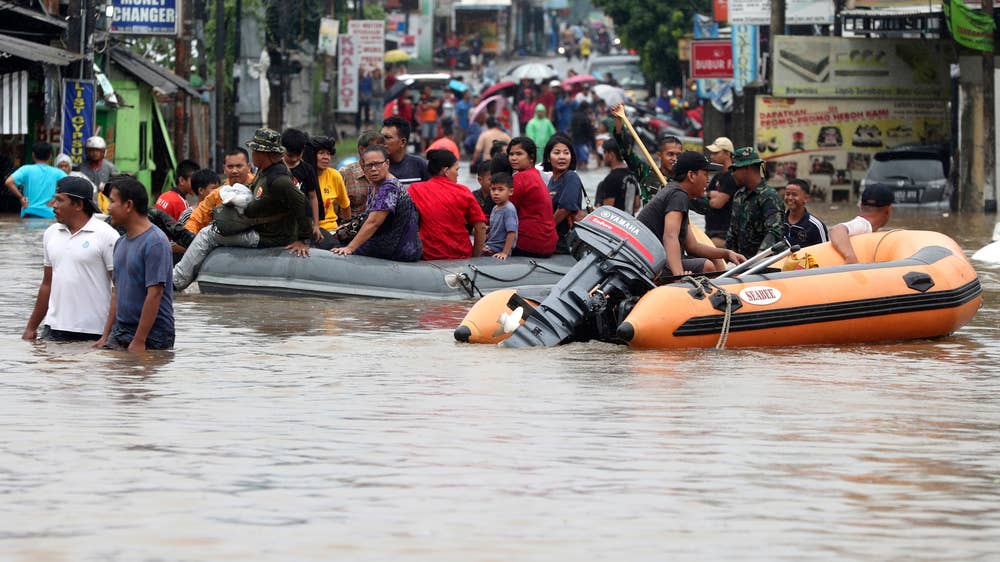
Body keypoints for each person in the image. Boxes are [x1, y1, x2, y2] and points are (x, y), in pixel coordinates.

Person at [172, 128, 312, 291]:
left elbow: (303, 203)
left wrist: (303, 239)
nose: (252, 154)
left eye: (254, 151)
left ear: (263, 153)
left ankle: (176, 281)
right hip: (259, 227)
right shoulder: (264, 171)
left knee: (207, 235)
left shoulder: (278, 179)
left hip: (268, 236)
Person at [22, 176, 119, 342]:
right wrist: (31, 328)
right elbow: (47, 283)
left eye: (60, 200)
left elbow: (120, 288)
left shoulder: (107, 235)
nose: (54, 205)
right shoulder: (51, 233)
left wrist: (108, 336)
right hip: (53, 329)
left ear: (79, 205)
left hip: (94, 332)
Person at [94, 175, 174, 351]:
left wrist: (139, 340)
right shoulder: (120, 243)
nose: (108, 208)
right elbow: (117, 292)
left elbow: (155, 293)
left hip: (152, 335)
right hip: (121, 331)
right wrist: (105, 337)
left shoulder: (155, 242)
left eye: (112, 201)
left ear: (128, 205)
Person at [636, 152, 745, 276]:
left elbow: (693, 246)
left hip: (658, 260)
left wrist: (727, 253)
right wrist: (679, 275)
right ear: (691, 176)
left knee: (716, 258)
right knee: (707, 266)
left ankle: (724, 286)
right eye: (705, 174)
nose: (708, 180)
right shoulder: (678, 195)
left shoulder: (676, 193)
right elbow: (670, 237)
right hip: (650, 263)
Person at [331, 146, 422, 261]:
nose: (373, 169)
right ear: (363, 167)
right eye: (369, 165)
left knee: (336, 249)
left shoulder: (389, 187)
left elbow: (373, 223)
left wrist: (350, 248)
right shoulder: (375, 185)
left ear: (387, 163)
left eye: (378, 164)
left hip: (399, 248)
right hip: (386, 241)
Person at [409, 150, 486, 260]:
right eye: (456, 169)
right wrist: (476, 256)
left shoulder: (415, 189)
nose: (458, 174)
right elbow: (481, 228)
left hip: (429, 257)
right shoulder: (463, 191)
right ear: (446, 171)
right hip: (461, 255)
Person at [726, 147, 785, 259]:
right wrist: (725, 258)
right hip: (742, 263)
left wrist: (759, 257)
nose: (732, 174)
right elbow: (732, 232)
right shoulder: (739, 195)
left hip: (765, 263)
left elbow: (775, 231)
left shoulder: (769, 196)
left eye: (735, 169)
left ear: (747, 167)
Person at [507, 137, 558, 257]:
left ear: (531, 158)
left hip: (530, 242)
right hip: (549, 242)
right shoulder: (536, 174)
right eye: (511, 154)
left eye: (519, 154)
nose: (513, 158)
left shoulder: (519, 178)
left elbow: (507, 211)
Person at [184, 148, 253, 235]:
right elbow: (196, 219)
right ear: (224, 168)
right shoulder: (218, 194)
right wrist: (188, 236)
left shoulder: (258, 186)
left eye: (239, 166)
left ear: (249, 167)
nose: (234, 171)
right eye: (230, 167)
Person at [543, 134, 587, 254]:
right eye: (557, 153)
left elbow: (566, 208)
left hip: (565, 244)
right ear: (548, 158)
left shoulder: (571, 176)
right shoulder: (551, 181)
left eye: (566, 153)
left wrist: (545, 231)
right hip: (554, 240)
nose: (562, 157)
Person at [830, 185, 894, 264]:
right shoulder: (864, 225)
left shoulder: (867, 229)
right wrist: (850, 257)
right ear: (888, 210)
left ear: (861, 206)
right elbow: (836, 229)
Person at [694, 137, 738, 248]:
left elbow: (717, 203)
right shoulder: (717, 176)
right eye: (711, 153)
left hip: (723, 232)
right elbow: (704, 193)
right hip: (710, 229)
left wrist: (712, 195)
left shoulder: (732, 177)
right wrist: (710, 194)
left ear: (728, 154)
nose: (711, 156)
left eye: (716, 153)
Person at [5, 141, 65, 219]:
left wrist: (21, 198)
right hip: (50, 214)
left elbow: (9, 182)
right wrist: (55, 198)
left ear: (33, 155)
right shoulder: (58, 172)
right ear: (51, 156)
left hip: (29, 212)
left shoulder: (26, 169)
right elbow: (70, 186)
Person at [311, 135, 352, 250]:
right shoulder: (303, 174)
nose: (326, 157)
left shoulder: (334, 175)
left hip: (332, 231)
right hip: (310, 231)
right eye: (321, 153)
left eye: (328, 154)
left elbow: (345, 205)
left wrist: (345, 228)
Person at [281, 128, 322, 240]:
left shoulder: (307, 169)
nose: (294, 159)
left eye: (298, 155)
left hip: (301, 221)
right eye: (290, 155)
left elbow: (313, 197)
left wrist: (316, 225)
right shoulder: (277, 168)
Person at [341, 129, 385, 216]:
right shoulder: (345, 173)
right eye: (375, 149)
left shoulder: (385, 171)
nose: (380, 153)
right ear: (362, 149)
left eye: (382, 149)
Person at [381, 116, 430, 187]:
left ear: (403, 142)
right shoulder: (377, 167)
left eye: (387, 138)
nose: (382, 141)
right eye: (381, 137)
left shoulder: (419, 165)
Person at [596, 139, 640, 214]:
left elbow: (607, 210)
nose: (604, 156)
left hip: (614, 223)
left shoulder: (611, 178)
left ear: (611, 155)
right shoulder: (632, 175)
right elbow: (637, 205)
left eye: (604, 153)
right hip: (629, 223)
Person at [782, 178, 828, 249]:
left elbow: (825, 251)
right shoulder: (779, 220)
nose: (790, 198)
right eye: (787, 194)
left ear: (806, 198)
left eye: (794, 194)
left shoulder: (815, 226)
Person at [484, 172, 518, 260]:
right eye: (493, 189)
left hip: (499, 248)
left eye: (500, 190)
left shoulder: (509, 209)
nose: (496, 193)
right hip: (491, 244)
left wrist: (504, 252)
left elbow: (511, 233)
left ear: (510, 192)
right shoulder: (495, 208)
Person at [569, 102, 595, 169]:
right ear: (585, 109)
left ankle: (579, 166)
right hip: (583, 140)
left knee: (576, 156)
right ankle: (584, 165)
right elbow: (588, 129)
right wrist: (591, 139)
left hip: (574, 139)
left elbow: (571, 128)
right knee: (583, 155)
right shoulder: (585, 117)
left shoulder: (574, 115)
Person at [416, 86, 441, 152]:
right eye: (426, 90)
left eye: (429, 89)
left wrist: (428, 104)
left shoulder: (434, 97)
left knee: (432, 137)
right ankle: (423, 151)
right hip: (425, 120)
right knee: (424, 137)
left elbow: (437, 105)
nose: (428, 91)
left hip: (433, 120)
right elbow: (423, 107)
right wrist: (432, 105)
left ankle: (431, 151)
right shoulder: (422, 98)